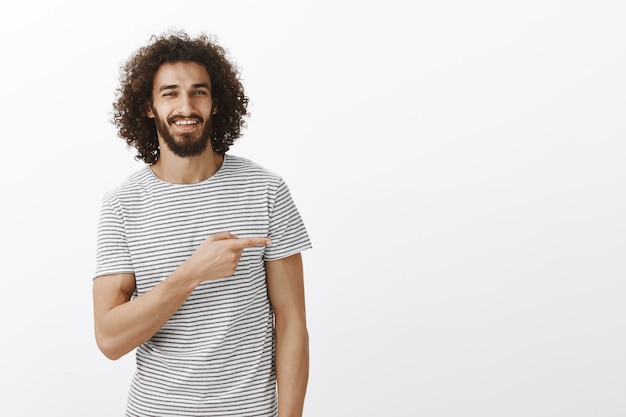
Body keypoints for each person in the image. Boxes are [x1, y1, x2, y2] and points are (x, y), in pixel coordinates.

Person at [92, 30, 312, 417]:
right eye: (170, 93)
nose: (185, 106)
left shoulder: (265, 190)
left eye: (198, 91)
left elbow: (291, 321)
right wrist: (193, 272)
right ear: (148, 106)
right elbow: (110, 339)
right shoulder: (122, 205)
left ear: (215, 102)